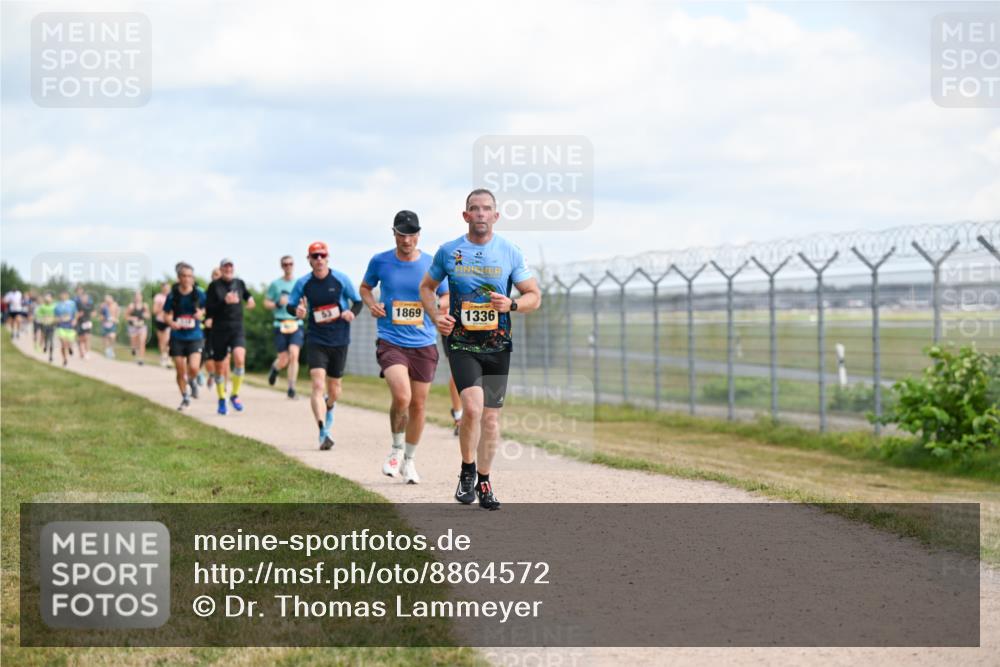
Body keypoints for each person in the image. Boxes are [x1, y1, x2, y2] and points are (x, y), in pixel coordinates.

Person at [420, 188, 541, 510]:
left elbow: (534, 296)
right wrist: (436, 317)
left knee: (490, 420)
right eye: (475, 209)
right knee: (472, 409)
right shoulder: (448, 251)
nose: (481, 214)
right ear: (466, 215)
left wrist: (512, 303)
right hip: (461, 343)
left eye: (487, 209)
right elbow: (427, 288)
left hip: (497, 345)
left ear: (495, 216)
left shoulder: (510, 252)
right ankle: (467, 470)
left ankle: (484, 479)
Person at [360, 211, 449, 484]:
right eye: (402, 234)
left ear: (418, 235)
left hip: (423, 341)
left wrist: (435, 307)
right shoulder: (380, 260)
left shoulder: (432, 263)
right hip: (391, 339)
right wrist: (371, 304)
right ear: (394, 233)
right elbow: (365, 287)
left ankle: (409, 461)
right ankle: (396, 451)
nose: (407, 239)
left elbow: (445, 295)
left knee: (419, 405)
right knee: (402, 398)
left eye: (411, 234)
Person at [287, 241, 362, 450]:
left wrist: (351, 313)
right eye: (314, 256)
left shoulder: (340, 279)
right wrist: (297, 312)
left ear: (327, 257)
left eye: (322, 255)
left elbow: (357, 302)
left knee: (334, 389)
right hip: (316, 338)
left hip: (339, 338)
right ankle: (323, 432)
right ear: (309, 260)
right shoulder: (304, 283)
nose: (318, 259)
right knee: (318, 385)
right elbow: (290, 305)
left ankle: (330, 406)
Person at [205, 259, 255, 415]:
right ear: (221, 269)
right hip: (219, 330)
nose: (228, 269)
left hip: (236, 328)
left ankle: (234, 395)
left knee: (240, 358)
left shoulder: (239, 283)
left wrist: (251, 299)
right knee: (219, 368)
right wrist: (223, 302)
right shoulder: (214, 286)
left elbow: (246, 294)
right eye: (225, 267)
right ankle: (221, 398)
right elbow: (209, 310)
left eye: (230, 267)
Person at [163, 262, 207, 410]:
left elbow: (208, 309)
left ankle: (193, 381)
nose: (187, 279)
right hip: (177, 337)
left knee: (194, 368)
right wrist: (171, 322)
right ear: (179, 277)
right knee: (180, 370)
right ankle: (185, 396)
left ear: (192, 278)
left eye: (190, 276)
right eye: (184, 276)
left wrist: (202, 313)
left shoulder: (199, 294)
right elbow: (166, 314)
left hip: (195, 335)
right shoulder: (173, 295)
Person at [265, 255, 304, 399]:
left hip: (295, 323)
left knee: (294, 354)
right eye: (285, 264)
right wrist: (277, 303)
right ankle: (275, 369)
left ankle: (291, 388)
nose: (288, 266)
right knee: (283, 359)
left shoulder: (299, 283)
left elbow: (305, 301)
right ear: (282, 266)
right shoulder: (276, 284)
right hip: (280, 323)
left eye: (290, 264)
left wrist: (302, 306)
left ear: (293, 265)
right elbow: (266, 303)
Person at [202, 267, 222, 390]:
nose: (216, 277)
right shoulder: (206, 293)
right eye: (214, 274)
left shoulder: (228, 292)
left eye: (218, 275)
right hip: (209, 329)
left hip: (224, 329)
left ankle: (223, 385)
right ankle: (212, 373)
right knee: (208, 355)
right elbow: (202, 308)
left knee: (224, 357)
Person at [53, 291, 78, 367]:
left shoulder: (72, 304)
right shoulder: (57, 305)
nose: (63, 296)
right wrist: (59, 319)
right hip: (61, 327)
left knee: (69, 342)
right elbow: (55, 317)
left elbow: (76, 313)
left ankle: (70, 347)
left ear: (67, 296)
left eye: (64, 295)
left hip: (70, 327)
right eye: (62, 295)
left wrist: (75, 320)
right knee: (63, 344)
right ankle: (65, 359)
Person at [127, 291, 150, 365]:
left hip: (142, 326)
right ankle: (134, 349)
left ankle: (141, 359)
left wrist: (145, 315)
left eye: (139, 296)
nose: (138, 298)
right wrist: (132, 318)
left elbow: (148, 316)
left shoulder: (145, 305)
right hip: (133, 327)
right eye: (136, 296)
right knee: (134, 343)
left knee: (142, 342)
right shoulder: (131, 306)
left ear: (141, 297)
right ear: (134, 297)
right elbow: (126, 316)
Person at [152, 282, 172, 367]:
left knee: (168, 340)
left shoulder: (172, 297)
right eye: (165, 288)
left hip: (169, 321)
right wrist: (162, 307)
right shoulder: (158, 297)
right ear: (162, 288)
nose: (167, 290)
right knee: (162, 341)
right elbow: (154, 311)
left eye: (168, 288)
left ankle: (167, 357)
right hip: (160, 321)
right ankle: (163, 357)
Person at [74, 286, 95, 360]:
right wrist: (76, 316)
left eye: (81, 290)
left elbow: (93, 310)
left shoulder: (90, 302)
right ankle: (81, 351)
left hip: (87, 322)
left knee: (87, 337)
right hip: (79, 322)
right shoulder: (75, 301)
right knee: (80, 338)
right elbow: (74, 312)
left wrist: (93, 313)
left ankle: (87, 353)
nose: (85, 299)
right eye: (78, 291)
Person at [35, 293, 57, 362]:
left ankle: (51, 356)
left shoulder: (55, 306)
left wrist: (55, 319)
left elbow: (58, 314)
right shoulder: (42, 306)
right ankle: (45, 346)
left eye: (49, 297)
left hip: (52, 325)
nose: (47, 299)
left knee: (51, 340)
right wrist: (43, 317)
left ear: (52, 299)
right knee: (45, 338)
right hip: (44, 325)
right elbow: (38, 314)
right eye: (46, 298)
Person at [100, 294, 120, 359]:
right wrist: (104, 318)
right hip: (105, 324)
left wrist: (115, 319)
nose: (108, 302)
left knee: (112, 336)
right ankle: (107, 351)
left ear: (112, 299)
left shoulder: (115, 305)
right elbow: (101, 316)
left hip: (112, 324)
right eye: (106, 300)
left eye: (109, 300)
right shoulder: (103, 306)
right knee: (105, 338)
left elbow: (117, 314)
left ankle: (111, 350)